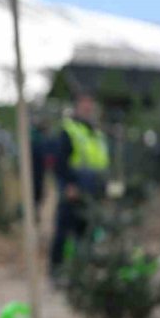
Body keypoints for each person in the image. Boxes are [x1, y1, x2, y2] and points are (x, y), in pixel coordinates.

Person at [49, 94, 110, 284]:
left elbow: (101, 164)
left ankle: (81, 273)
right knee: (63, 232)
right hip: (73, 190)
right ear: (76, 107)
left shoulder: (97, 134)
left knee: (86, 235)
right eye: (84, 105)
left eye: (90, 105)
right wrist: (68, 185)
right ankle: (56, 272)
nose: (88, 109)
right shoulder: (69, 130)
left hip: (92, 193)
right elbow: (60, 163)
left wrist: (104, 189)